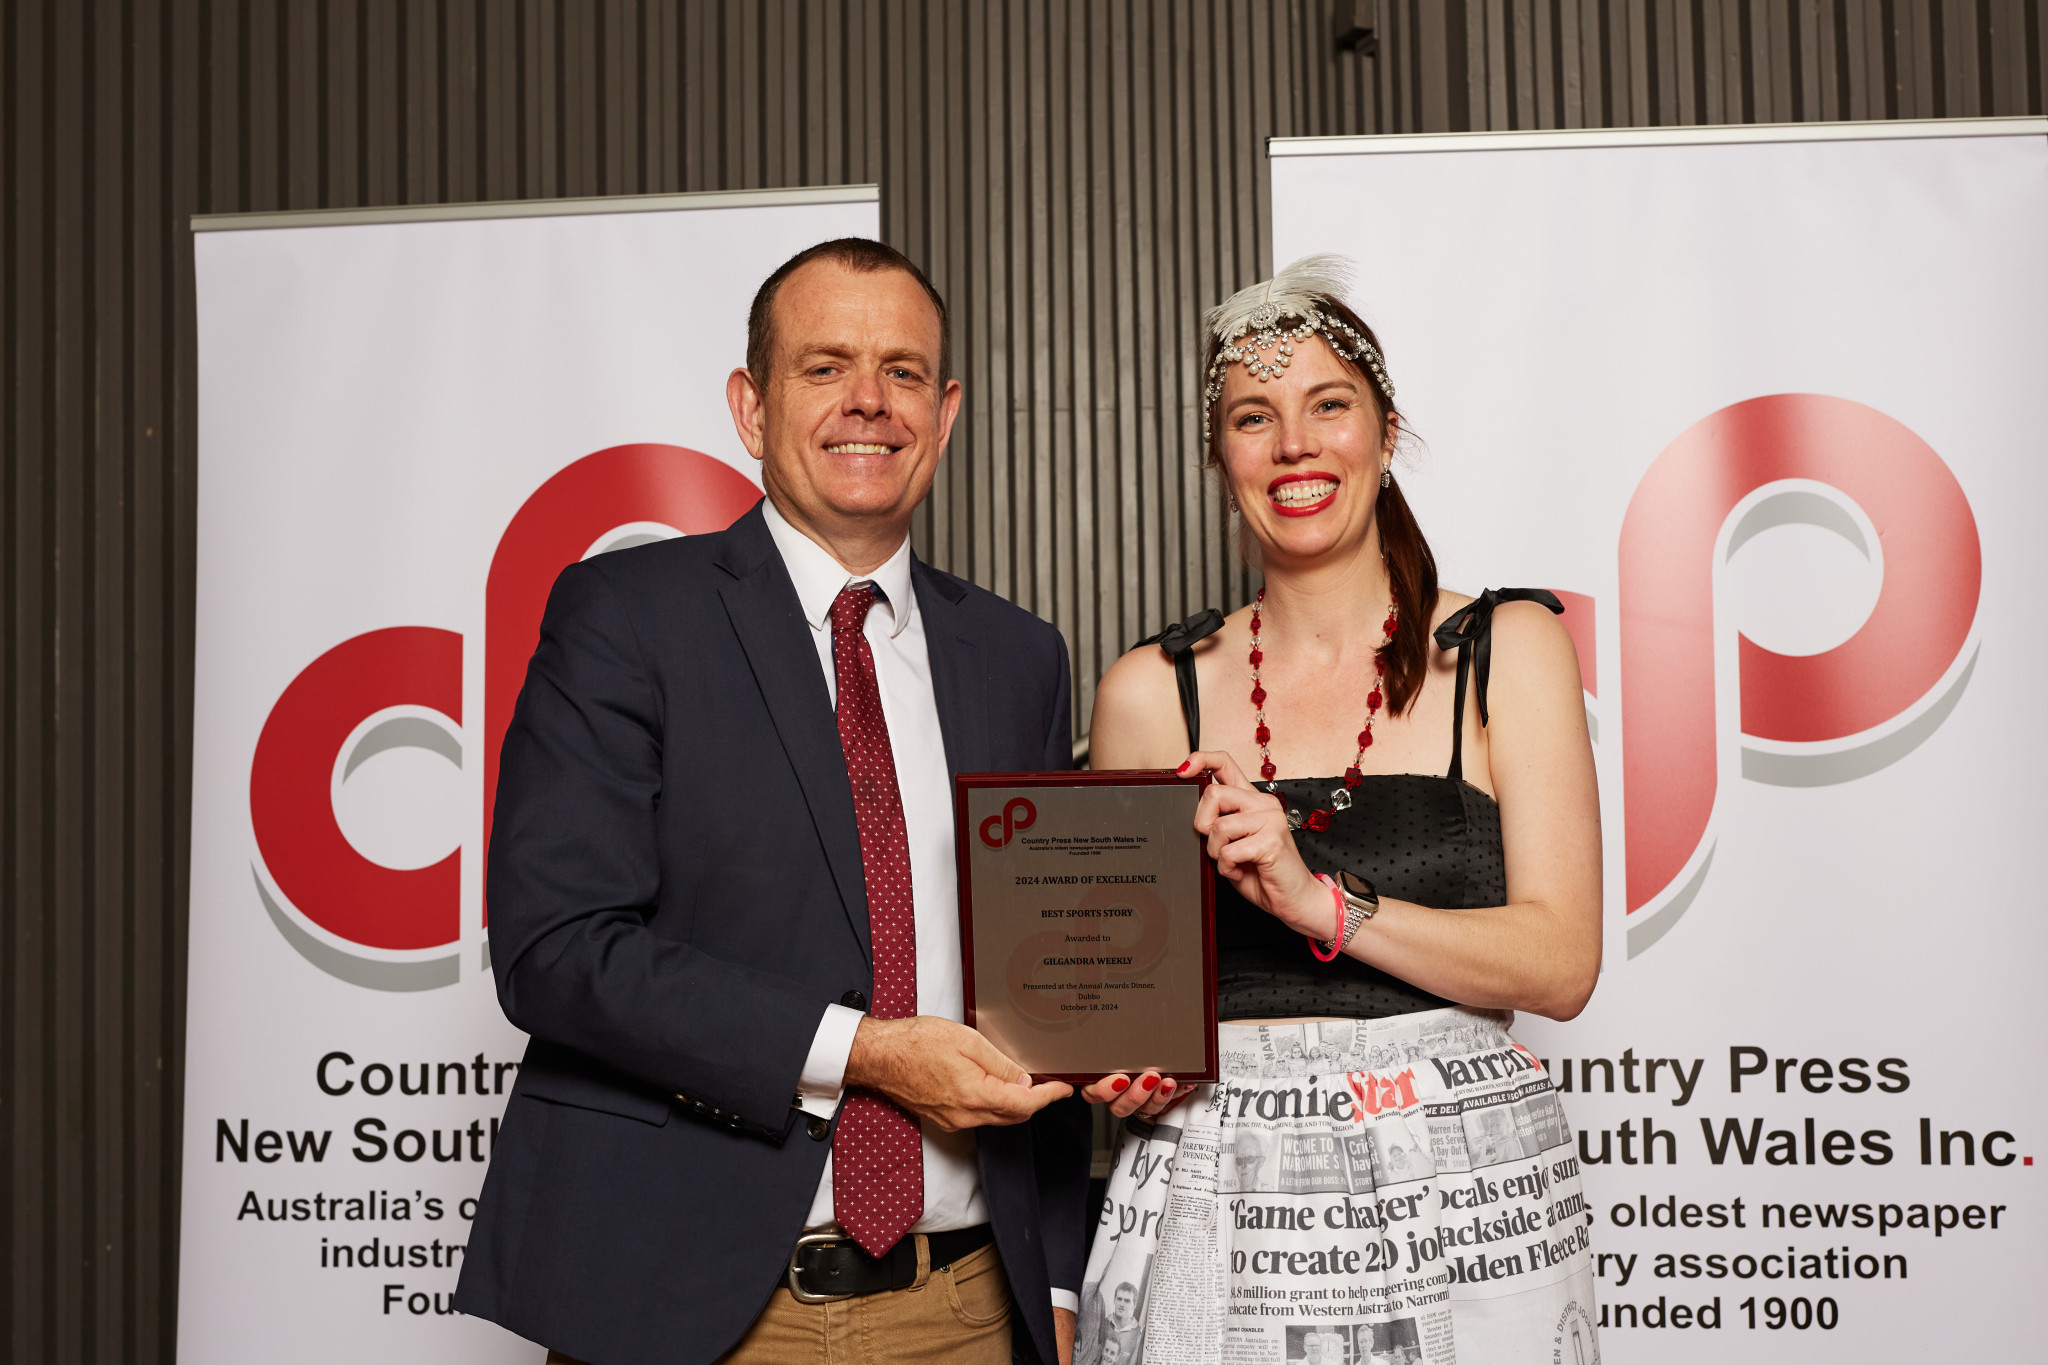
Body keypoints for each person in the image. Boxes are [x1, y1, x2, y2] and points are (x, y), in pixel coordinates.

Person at [453, 238, 1092, 1365]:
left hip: (968, 1309)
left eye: (902, 372)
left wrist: (1055, 1270)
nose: (867, 402)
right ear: (749, 408)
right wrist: (868, 1052)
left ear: (944, 415)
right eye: (824, 366)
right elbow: (555, 949)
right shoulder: (624, 616)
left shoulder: (1016, 657)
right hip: (697, 1311)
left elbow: (1033, 980)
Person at [1076, 256, 1603, 1358]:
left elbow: (1560, 964)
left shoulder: (1507, 650)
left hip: (1464, 1182)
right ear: (1220, 460)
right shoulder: (1146, 692)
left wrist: (1318, 900)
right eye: (1252, 418)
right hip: (1208, 1189)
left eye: (1329, 405)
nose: (1294, 446)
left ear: (1385, 429)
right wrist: (1117, 1068)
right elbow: (1119, 1010)